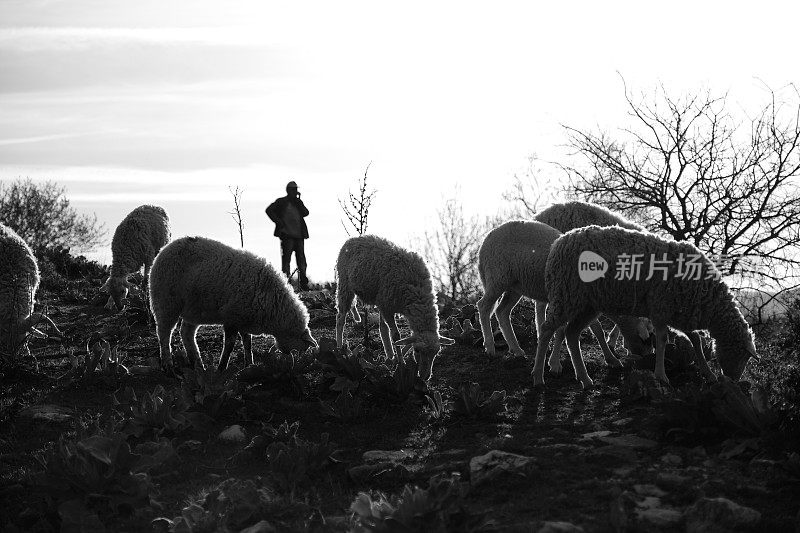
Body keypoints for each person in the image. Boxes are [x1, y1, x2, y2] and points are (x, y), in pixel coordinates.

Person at [266, 181, 310, 290]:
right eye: (293, 189)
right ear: (288, 190)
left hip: (299, 236)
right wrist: (278, 221)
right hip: (287, 235)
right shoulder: (281, 202)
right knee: (286, 261)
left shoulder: (298, 202)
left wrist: (299, 201)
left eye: (296, 190)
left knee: (301, 260)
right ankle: (286, 285)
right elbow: (269, 210)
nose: (295, 192)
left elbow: (306, 213)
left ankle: (303, 284)